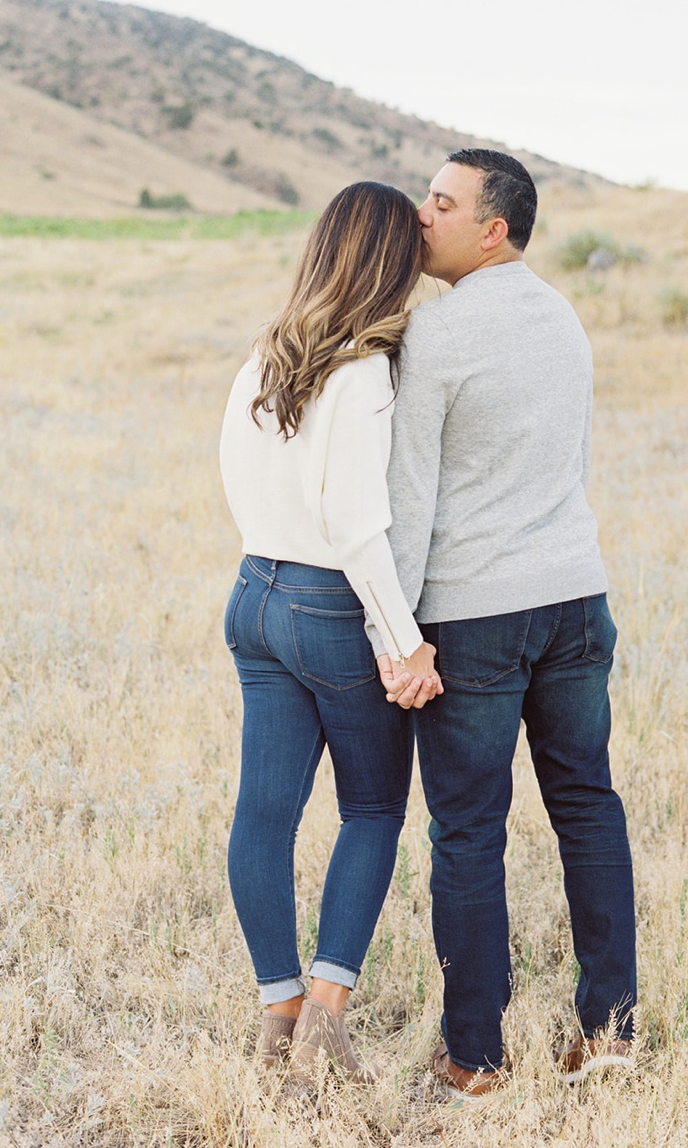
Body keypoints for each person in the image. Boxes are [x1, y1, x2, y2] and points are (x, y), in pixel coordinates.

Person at [376, 149, 637, 1097]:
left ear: (494, 229)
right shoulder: (563, 315)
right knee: (587, 805)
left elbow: (409, 498)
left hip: (477, 611)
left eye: (441, 203)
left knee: (469, 831)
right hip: (576, 594)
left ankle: (476, 1055)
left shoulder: (438, 334)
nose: (421, 214)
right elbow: (574, 458)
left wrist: (394, 632)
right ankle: (611, 1031)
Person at [219, 181, 441, 1085]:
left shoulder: (264, 358)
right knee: (374, 808)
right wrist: (404, 640)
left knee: (262, 818)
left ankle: (277, 1010)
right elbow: (356, 524)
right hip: (327, 604)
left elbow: (240, 483)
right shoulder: (367, 371)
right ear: (392, 262)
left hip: (252, 593)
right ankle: (323, 1020)